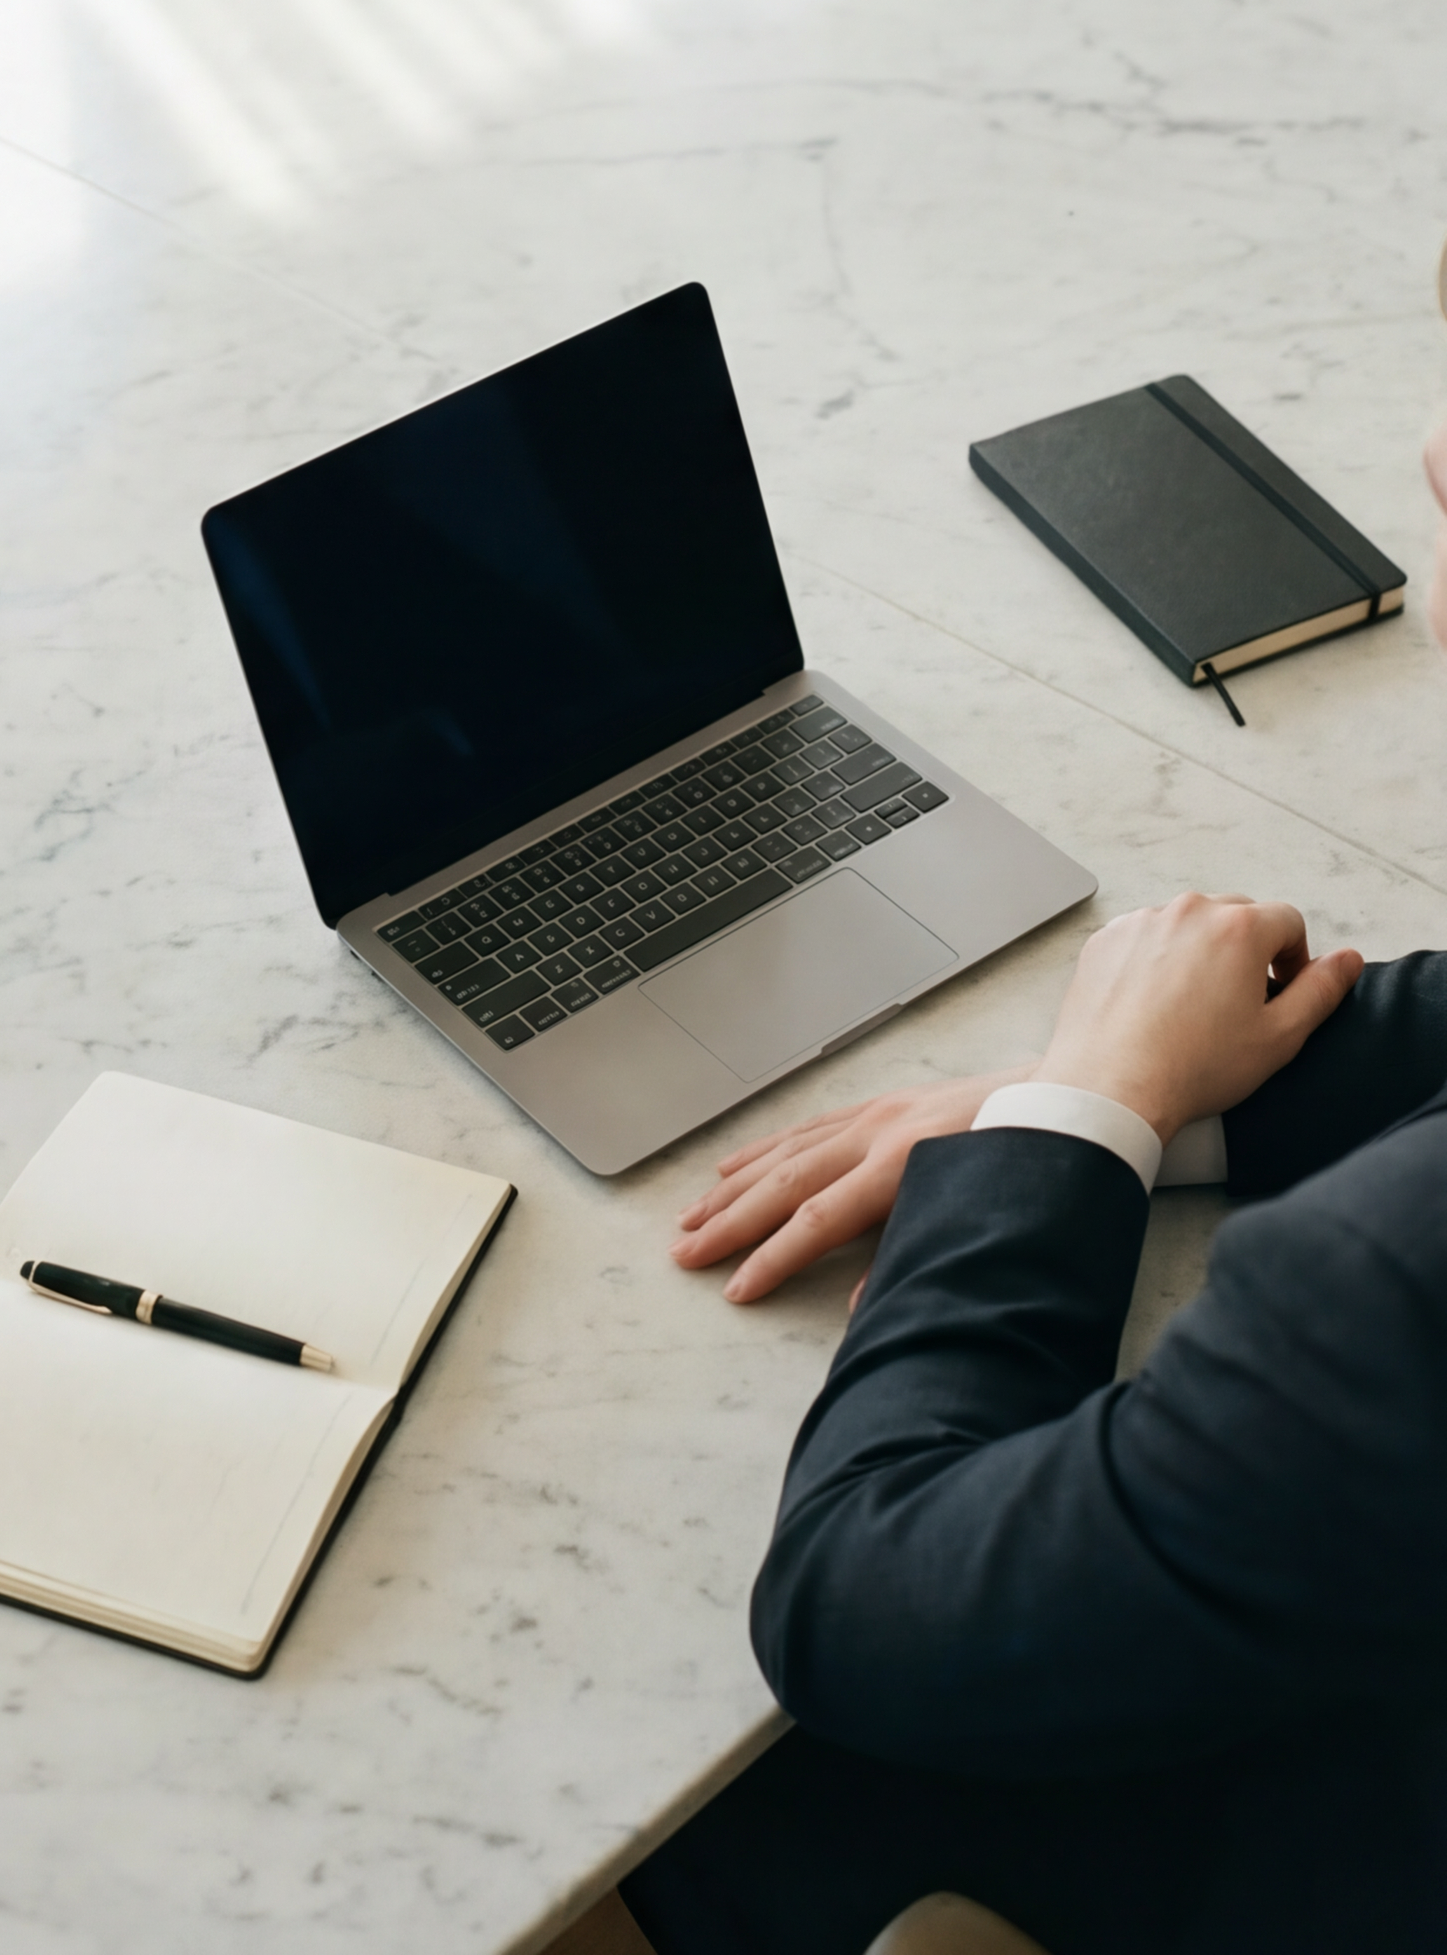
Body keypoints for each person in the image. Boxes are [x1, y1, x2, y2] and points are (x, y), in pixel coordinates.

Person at [618, 426, 1447, 1955]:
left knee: (682, 1812)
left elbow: (859, 1604)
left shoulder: (1381, 1291)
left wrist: (1084, 1118)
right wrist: (1125, 1093)